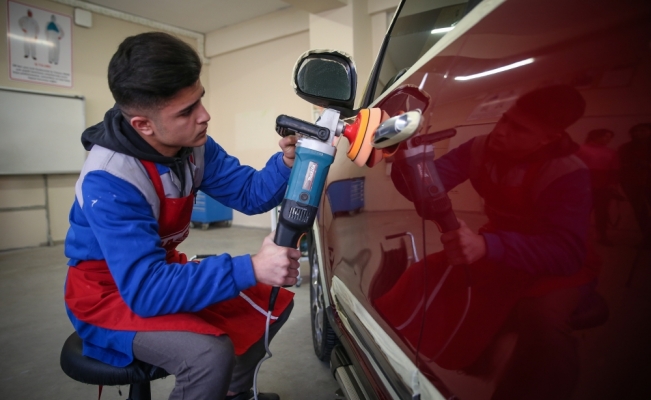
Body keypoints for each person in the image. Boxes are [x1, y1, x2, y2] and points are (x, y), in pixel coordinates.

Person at [63, 32, 300, 400]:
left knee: (271, 301)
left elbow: (250, 195)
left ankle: (233, 395)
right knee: (207, 355)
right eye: (187, 111)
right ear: (144, 124)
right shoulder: (109, 179)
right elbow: (144, 290)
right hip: (108, 297)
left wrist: (288, 162)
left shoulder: (192, 147)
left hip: (157, 274)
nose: (205, 116)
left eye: (199, 100)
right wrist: (250, 267)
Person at [376, 85, 598, 400]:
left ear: (547, 138)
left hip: (556, 265)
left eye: (518, 129)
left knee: (542, 324)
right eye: (505, 119)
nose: (502, 131)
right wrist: (402, 156)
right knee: (420, 278)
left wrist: (487, 247)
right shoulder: (480, 148)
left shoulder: (567, 173)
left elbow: (567, 253)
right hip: (495, 243)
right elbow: (427, 191)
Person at [575, 129, 620, 245]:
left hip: (603, 187)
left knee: (602, 213)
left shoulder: (611, 152)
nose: (608, 139)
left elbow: (614, 171)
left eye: (610, 137)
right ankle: (577, 235)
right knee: (582, 212)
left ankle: (602, 236)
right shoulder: (580, 149)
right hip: (583, 186)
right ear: (595, 136)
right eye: (605, 136)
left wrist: (612, 185)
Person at [618, 123, 651, 247]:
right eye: (635, 131)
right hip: (632, 182)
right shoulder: (625, 147)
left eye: (643, 130)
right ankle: (647, 239)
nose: (638, 133)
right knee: (640, 211)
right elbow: (619, 164)